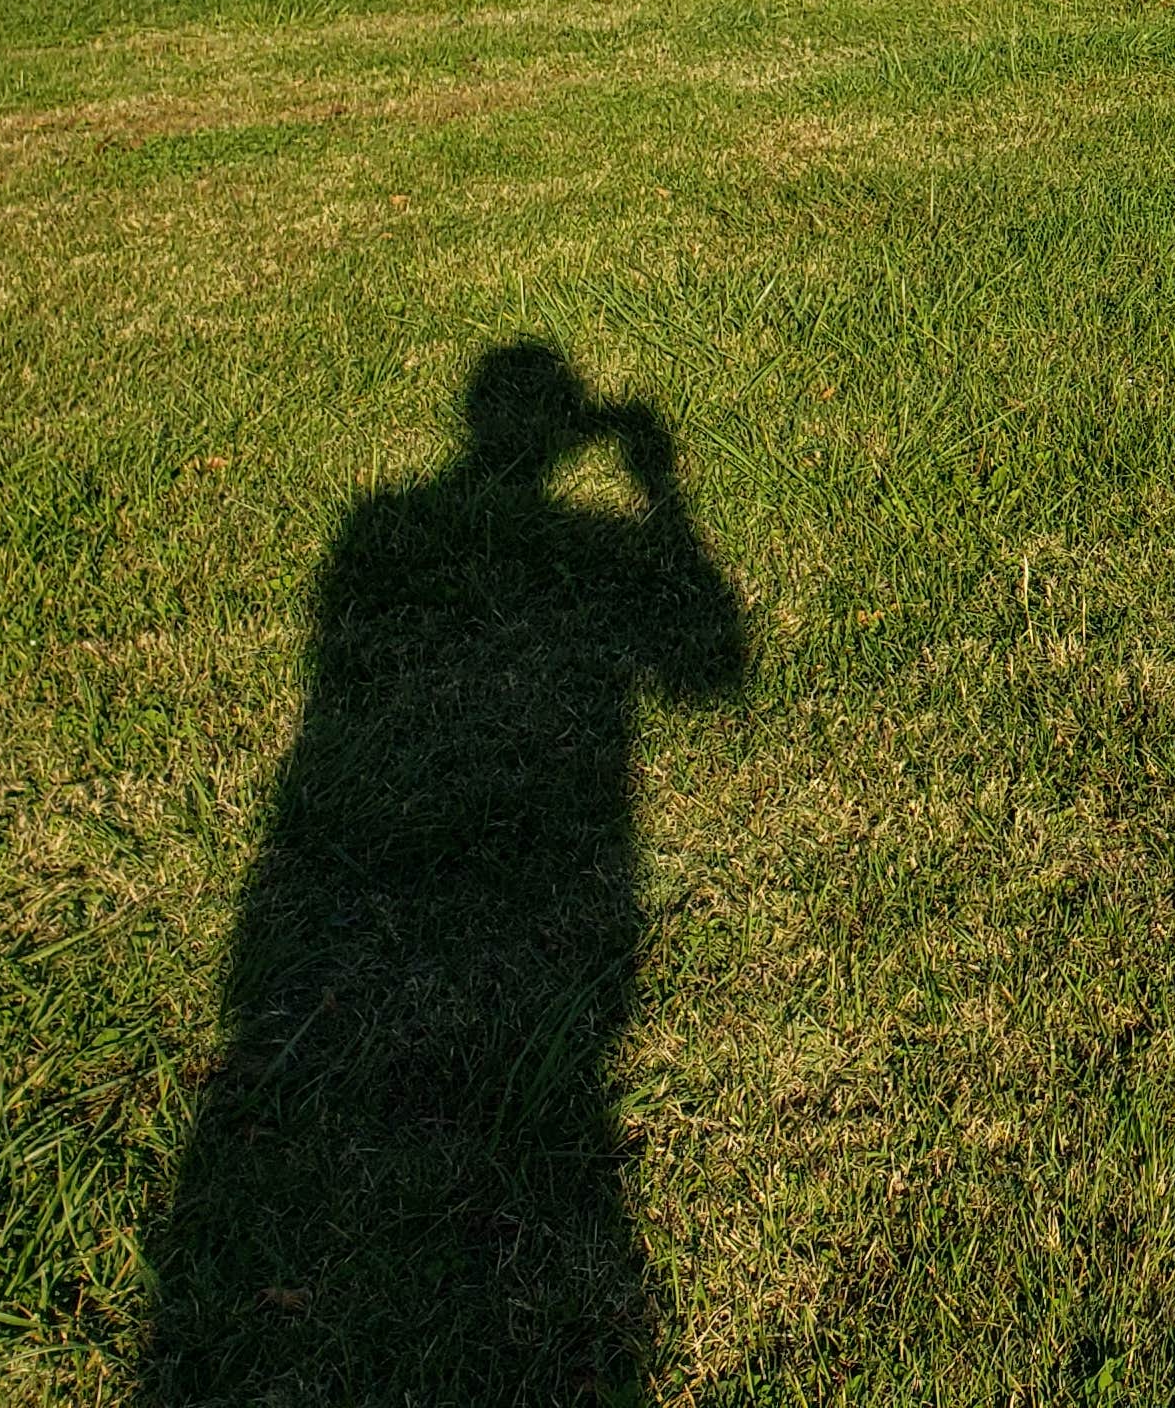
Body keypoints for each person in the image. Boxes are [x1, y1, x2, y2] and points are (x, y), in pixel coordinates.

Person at [144, 341, 745, 1400]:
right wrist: (662, 494)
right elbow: (714, 672)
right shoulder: (518, 532)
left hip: (306, 953)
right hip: (562, 918)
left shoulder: (376, 530)